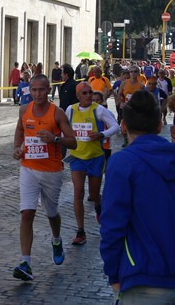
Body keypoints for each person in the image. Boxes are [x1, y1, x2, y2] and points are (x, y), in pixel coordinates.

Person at [100, 91, 175, 303]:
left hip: (143, 280)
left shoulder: (122, 164)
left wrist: (113, 276)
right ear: (159, 125)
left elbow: (112, 227)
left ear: (124, 126)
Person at [12, 74, 77, 282]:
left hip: (51, 171)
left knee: (51, 213)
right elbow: (20, 130)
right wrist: (17, 148)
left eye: (41, 90)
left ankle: (56, 239)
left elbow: (73, 142)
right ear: (29, 91)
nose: (37, 94)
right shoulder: (24, 110)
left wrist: (55, 138)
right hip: (28, 168)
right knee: (26, 213)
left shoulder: (57, 114)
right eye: (34, 90)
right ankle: (25, 262)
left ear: (49, 90)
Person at [65, 82, 120, 245]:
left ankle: (99, 205)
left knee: (94, 195)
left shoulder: (99, 109)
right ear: (78, 96)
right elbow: (64, 129)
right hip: (77, 157)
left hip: (95, 157)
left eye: (90, 92)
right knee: (78, 192)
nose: (89, 95)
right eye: (85, 93)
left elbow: (115, 127)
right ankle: (81, 231)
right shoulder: (71, 110)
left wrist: (101, 134)